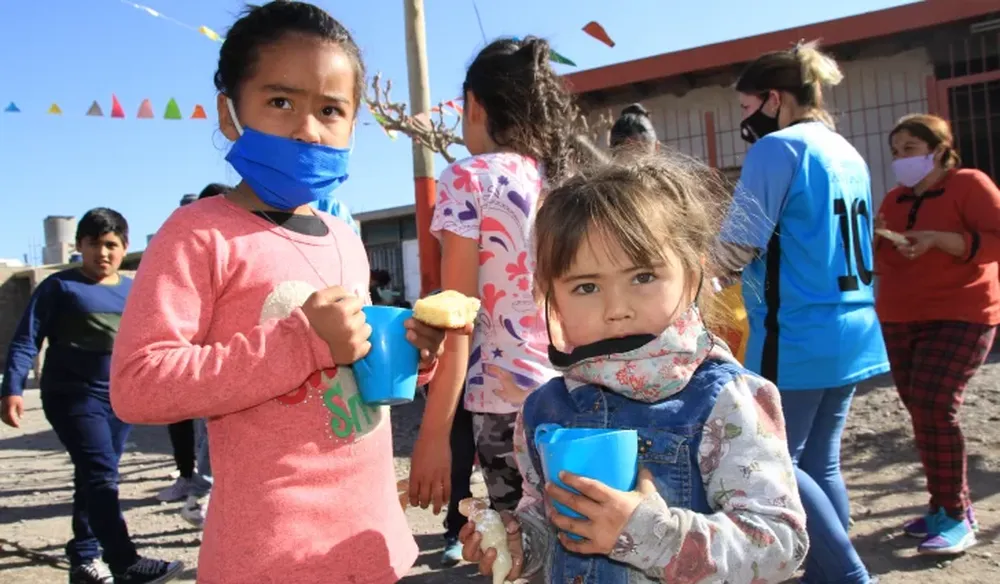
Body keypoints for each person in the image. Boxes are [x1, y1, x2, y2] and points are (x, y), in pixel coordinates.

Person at [108, 3, 461, 582]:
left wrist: (411, 357)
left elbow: (348, 374)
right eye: (280, 102)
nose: (307, 128)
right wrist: (300, 342)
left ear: (354, 124)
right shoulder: (198, 234)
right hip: (270, 557)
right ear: (229, 113)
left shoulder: (345, 237)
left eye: (331, 109)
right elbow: (138, 385)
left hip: (374, 544)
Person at [460, 154, 808, 583]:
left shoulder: (725, 400)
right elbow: (551, 520)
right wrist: (520, 543)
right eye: (586, 286)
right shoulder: (543, 409)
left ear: (694, 273)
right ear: (549, 296)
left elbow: (779, 545)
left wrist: (651, 535)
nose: (617, 308)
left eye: (642, 277)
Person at [716, 40, 887, 584]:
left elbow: (737, 245)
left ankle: (848, 574)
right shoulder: (845, 151)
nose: (746, 120)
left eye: (747, 107)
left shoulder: (778, 149)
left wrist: (689, 278)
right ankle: (826, 571)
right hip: (853, 327)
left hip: (795, 332)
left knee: (776, 462)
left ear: (774, 98)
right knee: (820, 461)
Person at [407, 36, 578, 561]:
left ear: (474, 104)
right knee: (576, 538)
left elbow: (458, 315)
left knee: (521, 548)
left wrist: (434, 434)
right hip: (571, 390)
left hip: (503, 404)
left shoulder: (468, 179)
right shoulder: (557, 180)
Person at [1, 208, 182, 584]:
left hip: (119, 400)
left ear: (125, 247)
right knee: (101, 473)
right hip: (72, 396)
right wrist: (12, 388)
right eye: (94, 244)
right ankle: (124, 562)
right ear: (79, 246)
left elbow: (154, 342)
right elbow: (26, 340)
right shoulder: (59, 287)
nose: (103, 253)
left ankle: (84, 558)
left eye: (111, 244)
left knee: (94, 474)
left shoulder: (134, 291)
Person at [875, 114, 1000, 555]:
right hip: (900, 315)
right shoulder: (895, 198)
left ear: (940, 150)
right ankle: (942, 508)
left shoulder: (970, 184)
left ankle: (956, 514)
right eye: (896, 151)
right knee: (922, 411)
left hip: (962, 313)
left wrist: (943, 240)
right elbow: (885, 259)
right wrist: (884, 241)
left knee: (934, 404)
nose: (900, 159)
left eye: (910, 149)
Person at [159, 183, 231, 512]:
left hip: (228, 360)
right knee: (202, 429)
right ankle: (196, 490)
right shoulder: (181, 253)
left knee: (214, 432)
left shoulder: (238, 248)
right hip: (195, 361)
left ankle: (202, 492)